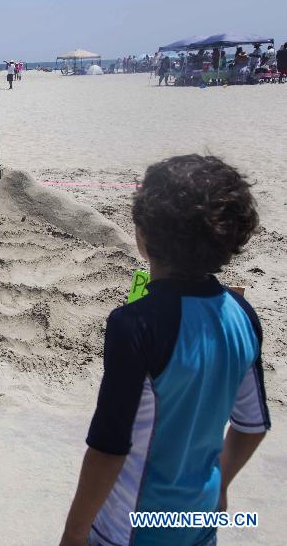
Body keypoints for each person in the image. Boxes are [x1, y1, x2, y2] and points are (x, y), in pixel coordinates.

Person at [59, 155, 270, 546]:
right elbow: (252, 424)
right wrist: (220, 483)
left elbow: (109, 447)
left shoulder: (134, 325)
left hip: (130, 531)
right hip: (198, 523)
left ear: (142, 236)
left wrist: (73, 534)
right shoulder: (243, 314)